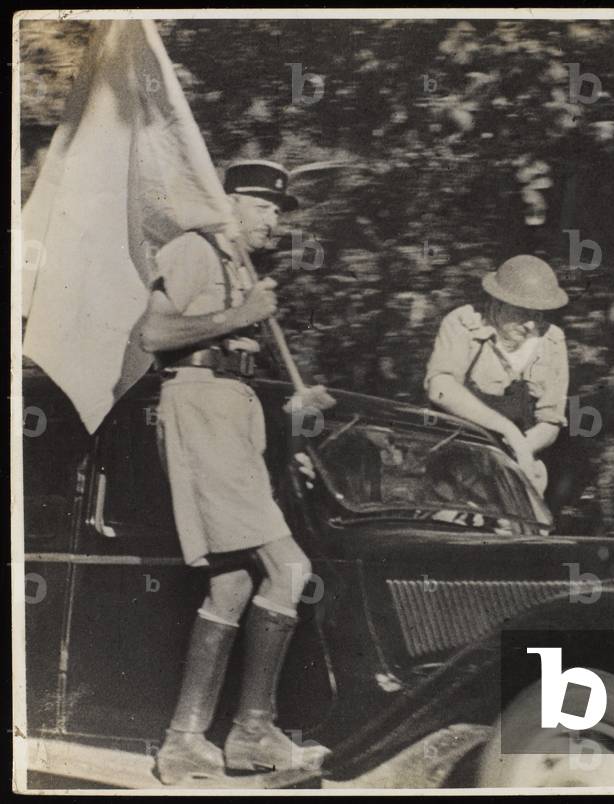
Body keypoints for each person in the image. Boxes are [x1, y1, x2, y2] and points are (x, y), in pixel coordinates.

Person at [137, 160, 333, 783]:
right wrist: (240, 314)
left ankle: (186, 741)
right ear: (232, 205)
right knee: (291, 567)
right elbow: (153, 334)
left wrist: (292, 404)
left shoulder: (244, 269)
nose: (276, 222)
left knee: (233, 586)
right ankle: (250, 729)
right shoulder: (195, 250)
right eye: (267, 208)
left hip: (234, 406)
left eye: (279, 212)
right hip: (201, 402)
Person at [425, 255, 570, 493]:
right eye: (523, 313)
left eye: (539, 315)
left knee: (525, 528)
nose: (531, 325)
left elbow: (550, 420)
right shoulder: (464, 323)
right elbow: (440, 389)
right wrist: (508, 430)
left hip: (514, 472)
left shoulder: (552, 341)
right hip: (454, 465)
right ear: (497, 302)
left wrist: (521, 449)